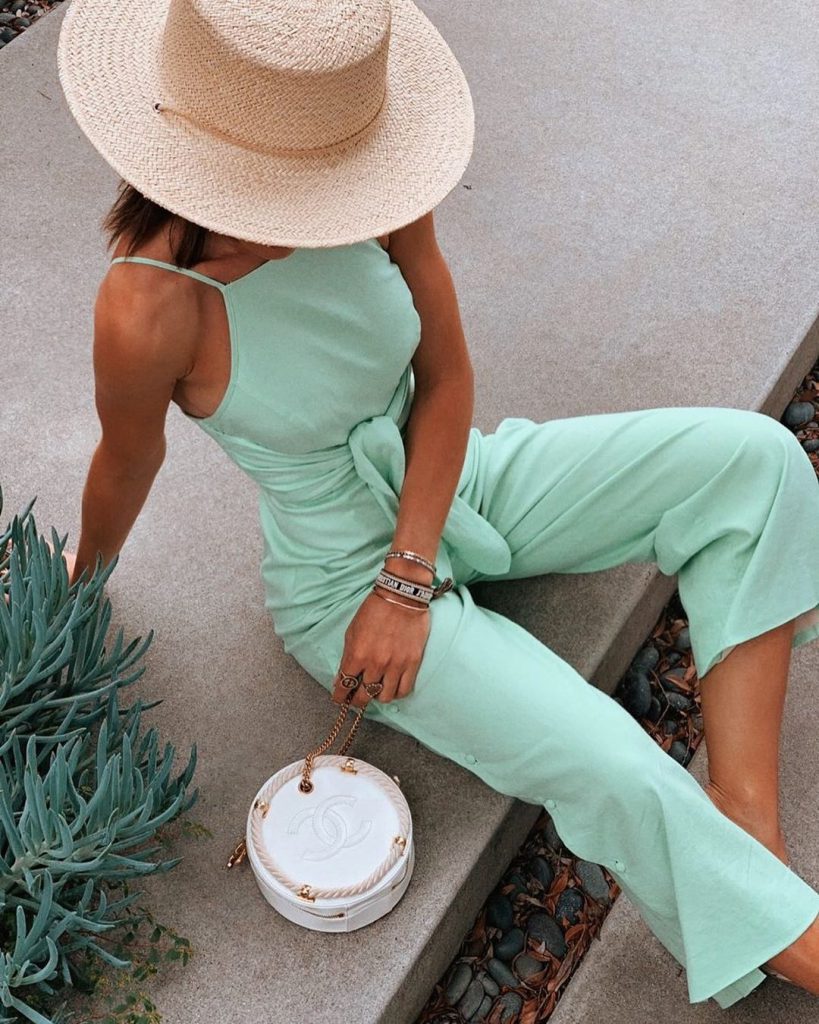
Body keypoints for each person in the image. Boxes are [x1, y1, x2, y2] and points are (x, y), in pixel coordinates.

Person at [56, 0, 819, 1008]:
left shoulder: (370, 176)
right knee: (611, 760)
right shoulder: (147, 305)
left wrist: (411, 571)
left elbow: (447, 374)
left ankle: (745, 834)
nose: (310, 215)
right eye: (278, 192)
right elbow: (126, 460)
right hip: (340, 585)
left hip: (455, 481)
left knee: (754, 462)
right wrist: (76, 588)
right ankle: (774, 919)